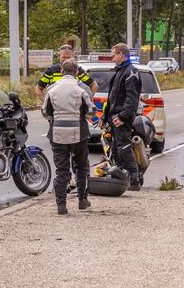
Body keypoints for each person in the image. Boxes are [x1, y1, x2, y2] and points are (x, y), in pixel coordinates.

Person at [42, 60, 93, 215]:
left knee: (62, 170)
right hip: (79, 134)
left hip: (57, 134)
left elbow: (45, 112)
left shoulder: (52, 89)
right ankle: (82, 201)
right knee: (82, 167)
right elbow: (90, 111)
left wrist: (55, 118)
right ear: (76, 72)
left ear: (62, 71)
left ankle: (61, 206)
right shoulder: (82, 88)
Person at [102, 43, 142, 191]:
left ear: (122, 55)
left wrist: (123, 117)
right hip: (114, 116)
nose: (112, 58)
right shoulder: (119, 72)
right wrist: (104, 117)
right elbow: (110, 98)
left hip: (122, 117)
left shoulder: (131, 72)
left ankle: (134, 181)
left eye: (114, 55)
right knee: (115, 148)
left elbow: (132, 99)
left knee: (124, 148)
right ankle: (120, 178)